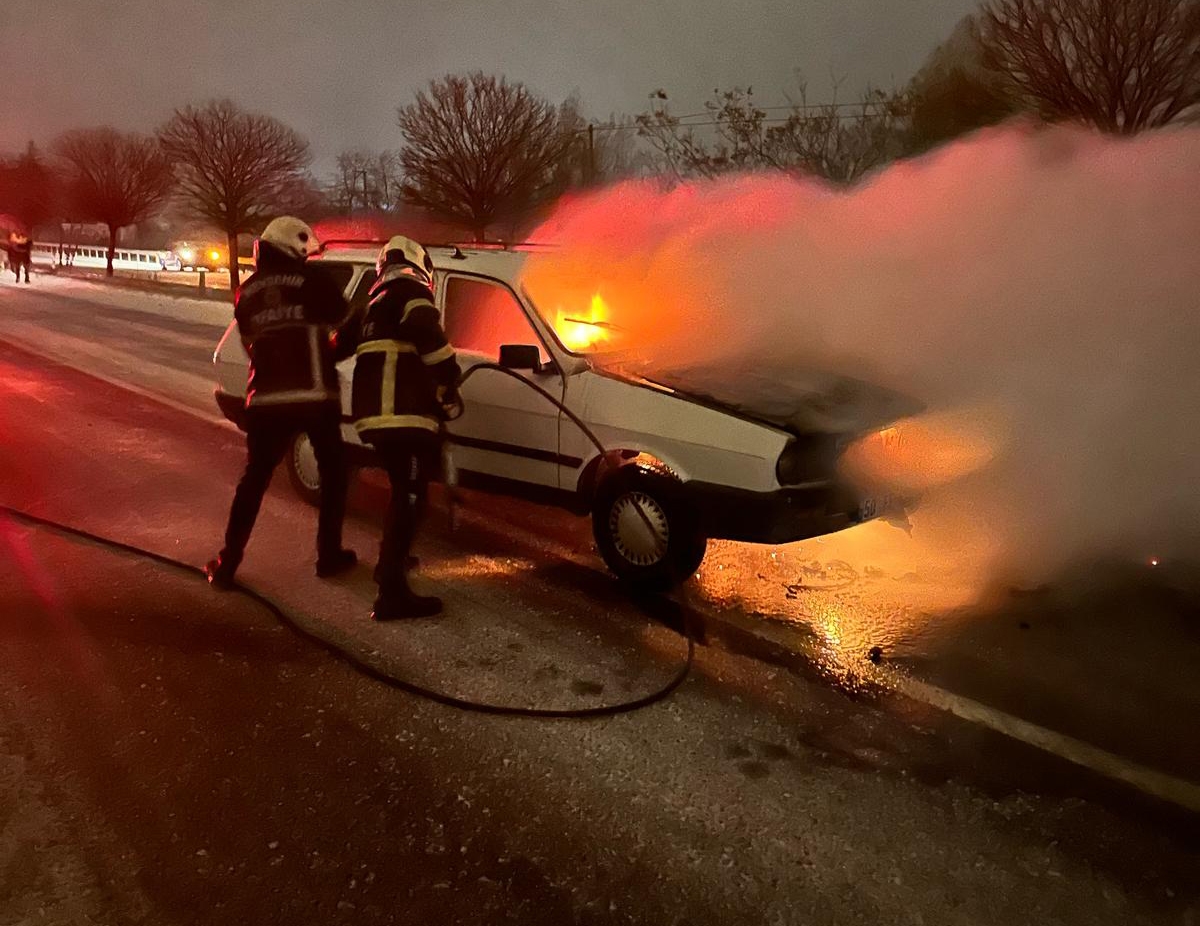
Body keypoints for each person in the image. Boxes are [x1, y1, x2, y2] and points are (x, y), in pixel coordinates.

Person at [205, 217, 357, 589]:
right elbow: (347, 325)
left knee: (254, 479)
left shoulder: (246, 292)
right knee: (335, 475)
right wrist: (336, 347)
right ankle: (328, 556)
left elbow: (250, 342)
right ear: (297, 250)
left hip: (266, 401)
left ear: (264, 248)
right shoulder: (317, 283)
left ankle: (227, 564)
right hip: (315, 397)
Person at [349, 236, 462, 620]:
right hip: (401, 417)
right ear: (421, 265)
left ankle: (388, 565)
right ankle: (391, 594)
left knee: (404, 493)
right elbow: (428, 334)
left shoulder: (372, 303)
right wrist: (450, 375)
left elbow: (337, 346)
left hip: (375, 417)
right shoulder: (411, 292)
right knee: (410, 499)